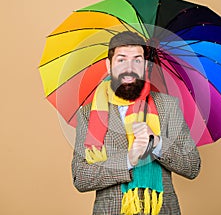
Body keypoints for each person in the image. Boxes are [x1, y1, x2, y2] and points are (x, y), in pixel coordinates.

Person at [72, 31, 201, 215]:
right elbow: (81, 178)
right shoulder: (87, 114)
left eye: (137, 60)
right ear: (109, 65)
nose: (129, 67)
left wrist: (157, 143)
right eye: (121, 60)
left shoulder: (167, 106)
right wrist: (128, 160)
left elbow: (192, 166)